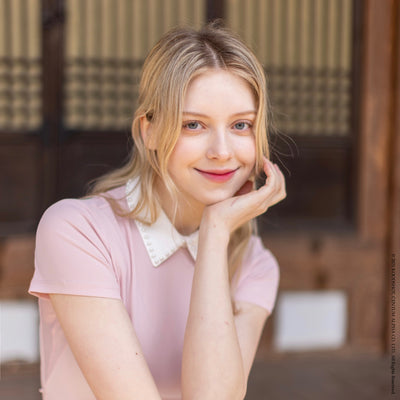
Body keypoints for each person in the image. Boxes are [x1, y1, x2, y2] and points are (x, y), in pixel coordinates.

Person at [29, 21, 286, 400]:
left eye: (241, 125)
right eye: (193, 124)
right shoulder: (77, 231)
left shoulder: (254, 264)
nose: (222, 151)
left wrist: (215, 234)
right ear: (149, 131)